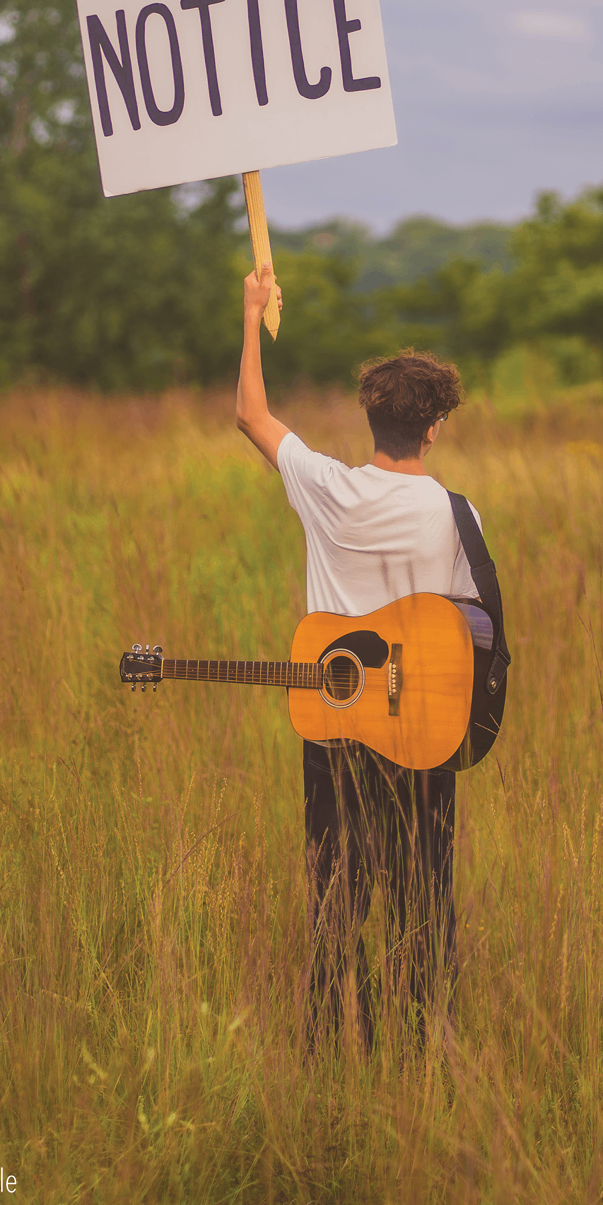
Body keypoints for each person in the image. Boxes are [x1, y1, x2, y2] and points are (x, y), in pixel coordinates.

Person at [236, 262, 484, 1048]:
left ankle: (327, 1042)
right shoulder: (455, 513)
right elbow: (467, 633)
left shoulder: (327, 487)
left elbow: (251, 415)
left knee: (336, 898)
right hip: (422, 737)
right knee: (423, 896)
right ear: (434, 426)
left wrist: (251, 314)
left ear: (371, 420)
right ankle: (422, 1042)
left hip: (336, 725)